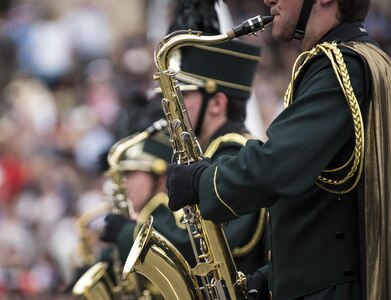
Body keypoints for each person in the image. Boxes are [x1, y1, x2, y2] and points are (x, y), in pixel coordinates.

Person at [166, 0, 391, 300]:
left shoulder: (340, 65)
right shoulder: (362, 59)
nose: (268, 0)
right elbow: (328, 209)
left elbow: (277, 167)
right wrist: (270, 276)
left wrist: (200, 182)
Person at [101, 39, 269, 276]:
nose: (170, 107)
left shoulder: (235, 153)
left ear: (217, 104)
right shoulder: (214, 153)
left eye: (182, 96)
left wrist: (131, 233)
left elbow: (201, 248)